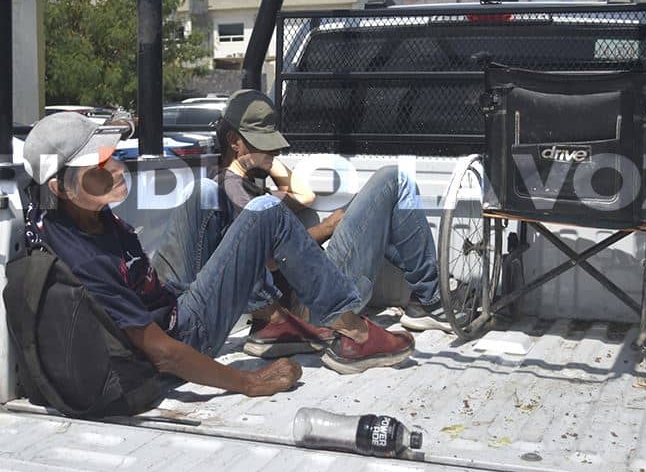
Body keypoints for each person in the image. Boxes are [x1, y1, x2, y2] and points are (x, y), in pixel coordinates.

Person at [22, 112, 415, 394]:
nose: (119, 169)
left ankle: (270, 315)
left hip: (163, 294)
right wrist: (248, 382)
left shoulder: (66, 210)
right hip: (184, 332)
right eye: (99, 167)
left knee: (208, 193)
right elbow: (163, 354)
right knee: (267, 213)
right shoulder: (85, 262)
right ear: (60, 188)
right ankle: (353, 333)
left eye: (113, 156)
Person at [152, 89, 454, 345]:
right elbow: (266, 259)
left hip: (310, 286)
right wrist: (328, 227)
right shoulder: (227, 190)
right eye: (262, 143)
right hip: (318, 299)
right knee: (394, 180)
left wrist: (265, 162)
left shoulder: (244, 185)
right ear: (234, 141)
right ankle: (431, 300)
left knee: (372, 205)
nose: (272, 152)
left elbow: (304, 195)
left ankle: (427, 295)